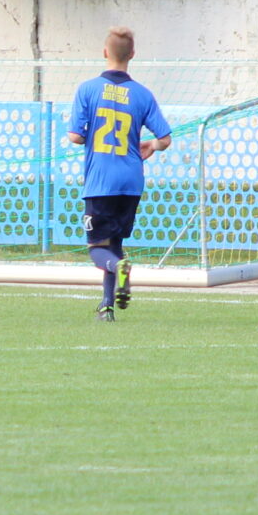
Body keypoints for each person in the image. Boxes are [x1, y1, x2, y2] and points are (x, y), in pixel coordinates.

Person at [63, 28, 174, 322]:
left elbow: (75, 135)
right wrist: (151, 145)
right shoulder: (142, 94)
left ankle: (119, 268)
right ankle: (106, 306)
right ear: (132, 55)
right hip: (131, 181)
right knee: (114, 244)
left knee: (97, 248)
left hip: (101, 180)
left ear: (104, 52)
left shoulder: (88, 89)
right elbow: (165, 139)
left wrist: (89, 134)